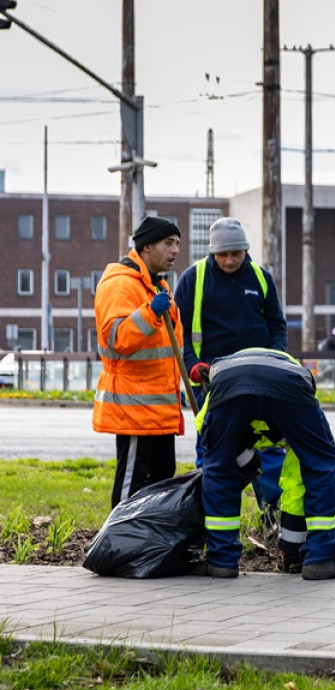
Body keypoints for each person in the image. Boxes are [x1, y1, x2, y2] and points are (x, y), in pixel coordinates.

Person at [195, 347, 335, 580]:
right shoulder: (295, 377)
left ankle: (221, 561)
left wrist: (242, 462)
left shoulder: (219, 383)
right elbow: (301, 476)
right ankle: (321, 559)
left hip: (229, 384)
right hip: (288, 386)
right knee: (322, 463)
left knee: (219, 469)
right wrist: (293, 550)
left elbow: (207, 439)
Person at [174, 216, 289, 532]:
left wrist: (277, 357)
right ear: (212, 253)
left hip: (259, 381)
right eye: (222, 255)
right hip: (213, 383)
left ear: (245, 250)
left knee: (267, 450)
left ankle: (272, 518)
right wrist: (193, 364)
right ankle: (209, 525)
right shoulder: (193, 279)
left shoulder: (261, 279)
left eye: (235, 254)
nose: (228, 260)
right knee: (215, 456)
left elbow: (277, 325)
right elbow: (179, 332)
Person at [92, 216, 185, 509]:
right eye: (168, 243)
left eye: (177, 244)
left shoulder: (156, 286)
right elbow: (116, 337)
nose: (175, 251)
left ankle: (145, 545)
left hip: (158, 409)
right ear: (146, 247)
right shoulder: (121, 285)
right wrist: (150, 313)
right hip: (133, 408)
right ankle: (119, 546)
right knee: (132, 483)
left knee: (160, 477)